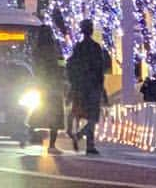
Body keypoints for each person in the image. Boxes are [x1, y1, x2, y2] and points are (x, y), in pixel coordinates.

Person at [66, 19, 106, 155]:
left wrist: (74, 84)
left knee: (81, 112)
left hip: (81, 86)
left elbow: (71, 66)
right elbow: (100, 68)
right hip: (93, 85)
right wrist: (102, 87)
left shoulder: (78, 47)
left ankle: (84, 139)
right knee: (93, 116)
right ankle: (88, 142)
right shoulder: (95, 47)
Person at [34, 24, 67, 154]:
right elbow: (61, 63)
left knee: (39, 112)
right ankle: (52, 145)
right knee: (55, 116)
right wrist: (62, 76)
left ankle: (26, 133)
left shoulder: (37, 50)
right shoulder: (55, 48)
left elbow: (37, 68)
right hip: (54, 86)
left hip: (42, 86)